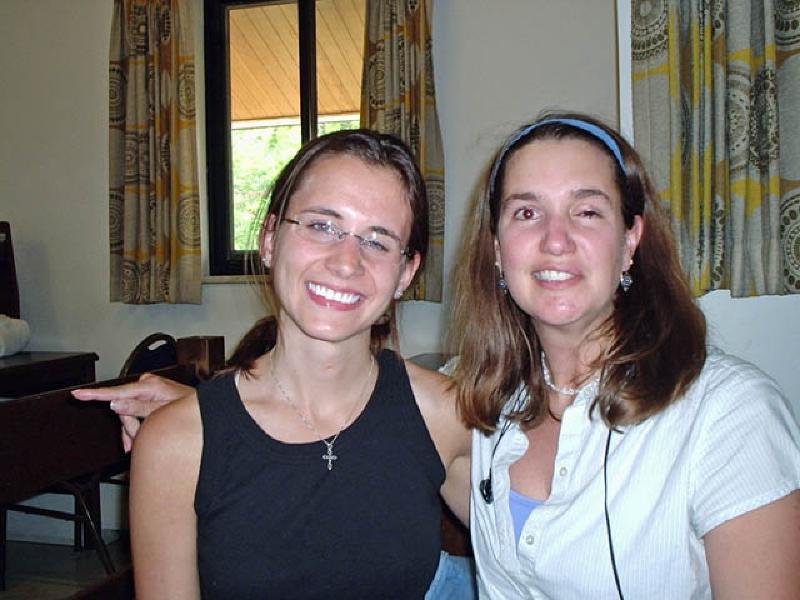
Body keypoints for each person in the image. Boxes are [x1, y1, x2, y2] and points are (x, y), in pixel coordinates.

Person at [76, 129, 472, 599]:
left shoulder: (445, 413)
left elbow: (546, 559)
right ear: (268, 239)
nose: (347, 261)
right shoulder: (176, 444)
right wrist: (207, 421)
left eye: (378, 241)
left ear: (405, 272)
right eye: (322, 225)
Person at [449, 113, 800, 598]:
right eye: (526, 213)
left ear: (630, 240)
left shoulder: (729, 414)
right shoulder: (474, 397)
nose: (555, 240)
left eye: (587, 212)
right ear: (496, 248)